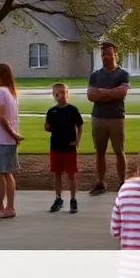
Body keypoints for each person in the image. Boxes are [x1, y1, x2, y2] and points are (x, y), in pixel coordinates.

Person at [87, 42, 130, 195]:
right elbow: (91, 96)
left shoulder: (122, 74)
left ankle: (122, 182)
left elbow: (122, 93)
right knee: (100, 151)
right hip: (98, 117)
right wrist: (112, 92)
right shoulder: (95, 75)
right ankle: (101, 182)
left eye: (109, 54)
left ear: (115, 55)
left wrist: (102, 92)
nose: (106, 57)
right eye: (103, 54)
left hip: (116, 118)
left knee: (119, 150)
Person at [0, 62, 24, 219]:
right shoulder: (10, 92)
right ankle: (1, 205)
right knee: (5, 173)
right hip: (5, 139)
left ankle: (8, 207)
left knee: (0, 174)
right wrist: (14, 135)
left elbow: (1, 118)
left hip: (0, 139)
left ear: (1, 74)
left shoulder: (0, 91)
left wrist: (13, 135)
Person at [45, 82, 84, 213]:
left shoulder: (72, 110)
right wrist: (47, 127)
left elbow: (80, 125)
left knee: (71, 174)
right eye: (58, 94)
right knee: (57, 173)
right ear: (54, 96)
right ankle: (58, 198)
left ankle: (73, 199)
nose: (61, 96)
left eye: (64, 93)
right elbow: (48, 127)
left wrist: (77, 140)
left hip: (69, 147)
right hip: (56, 147)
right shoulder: (52, 111)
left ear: (67, 94)